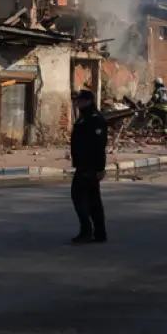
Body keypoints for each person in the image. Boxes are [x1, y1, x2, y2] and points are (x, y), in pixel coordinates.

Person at [69, 89, 108, 244]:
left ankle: (87, 231)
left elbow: (99, 145)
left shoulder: (95, 119)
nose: (77, 103)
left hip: (90, 166)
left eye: (80, 101)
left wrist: (100, 168)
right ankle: (99, 233)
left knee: (79, 197)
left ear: (88, 101)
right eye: (77, 101)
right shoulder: (84, 118)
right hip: (83, 165)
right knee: (93, 200)